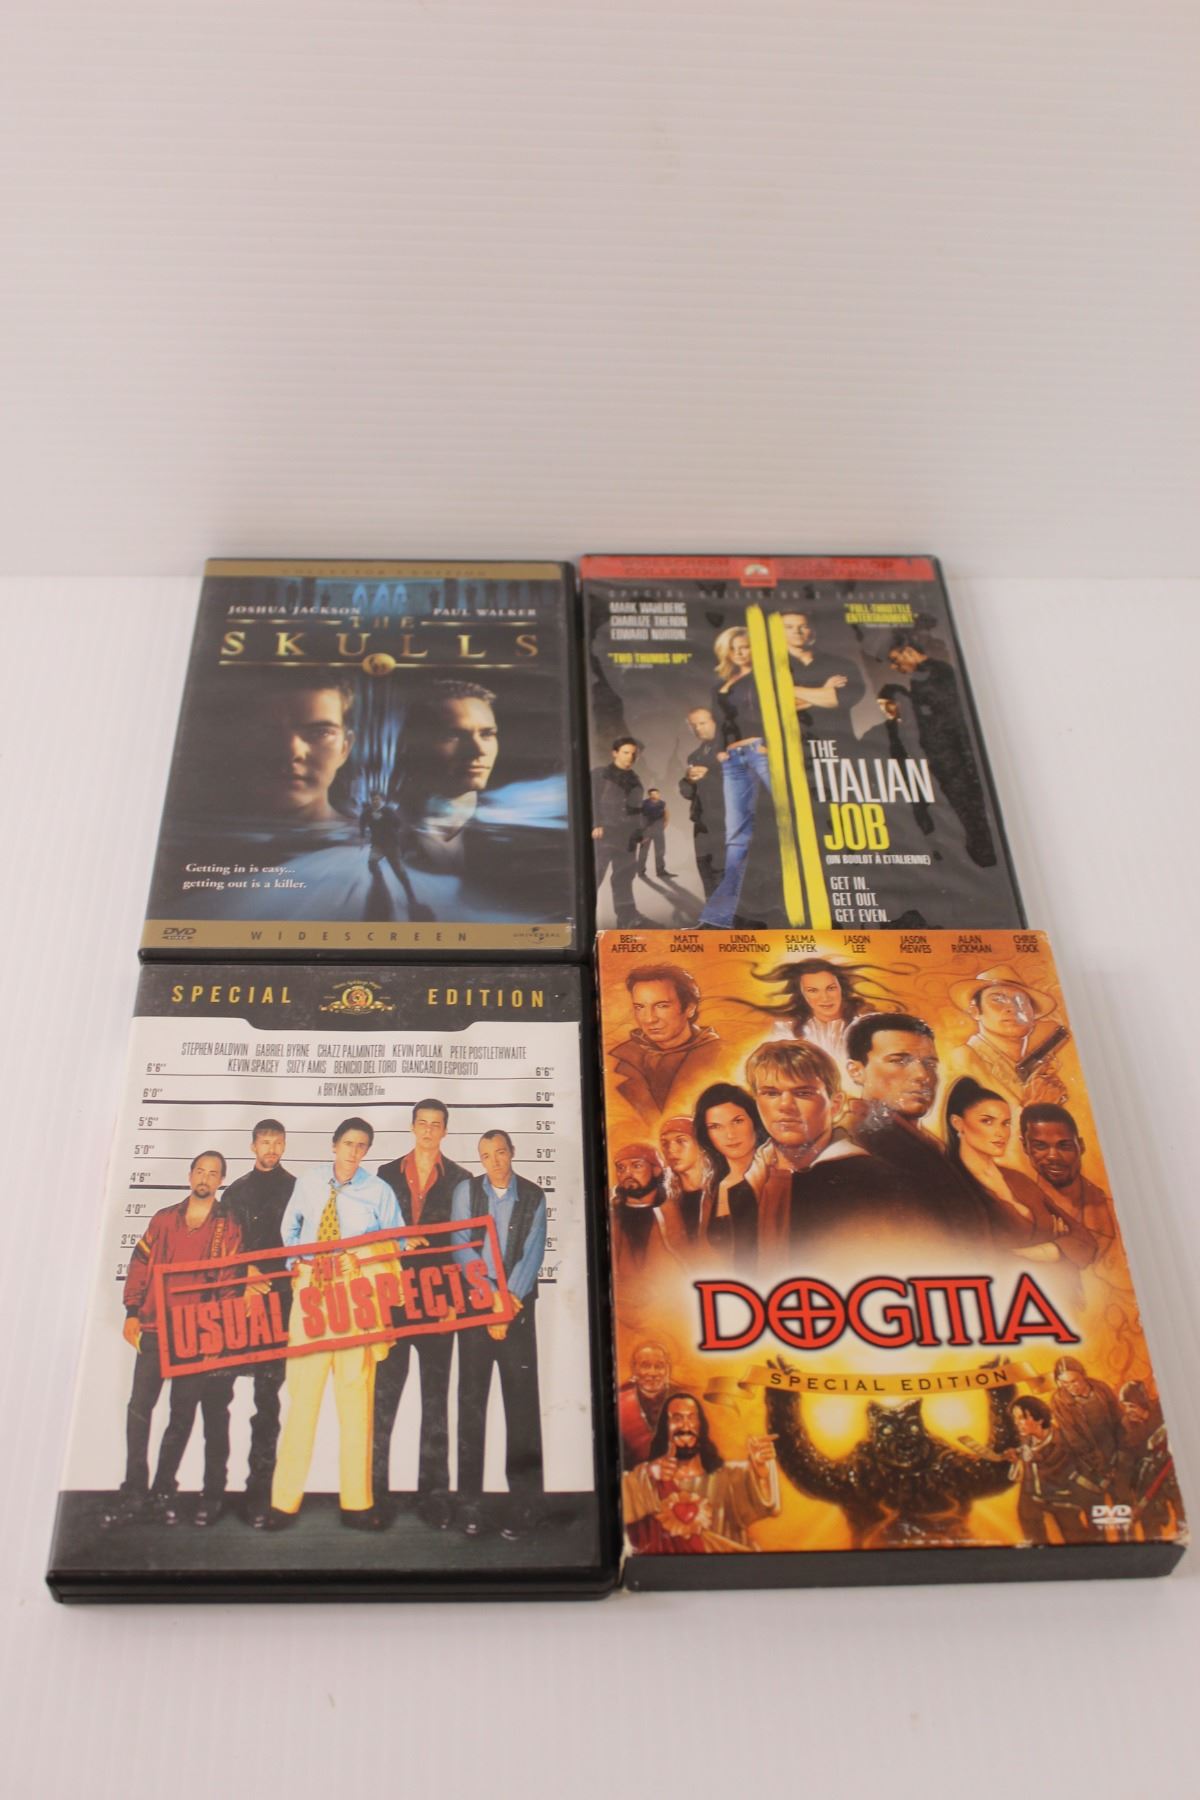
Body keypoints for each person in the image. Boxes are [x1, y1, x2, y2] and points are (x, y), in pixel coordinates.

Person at [270, 1118, 402, 1527]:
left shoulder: (379, 1191)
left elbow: (397, 1241)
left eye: (361, 1146)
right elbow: (290, 1226)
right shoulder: (309, 1182)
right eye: (348, 1143)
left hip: (354, 1297)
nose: (353, 1152)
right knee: (302, 1399)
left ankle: (357, 1505)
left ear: (367, 1151)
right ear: (334, 1145)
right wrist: (297, 1262)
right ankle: (282, 1503)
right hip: (311, 1294)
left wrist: (359, 1258)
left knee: (355, 1399)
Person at [104, 1151, 242, 1528]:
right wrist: (132, 1311)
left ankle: (162, 1492)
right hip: (153, 1328)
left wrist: (218, 1333)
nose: (205, 1178)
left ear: (221, 1181)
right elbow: (139, 1264)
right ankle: (134, 1490)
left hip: (195, 1335)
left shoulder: (228, 1226)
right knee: (139, 1409)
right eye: (200, 1171)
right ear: (190, 1175)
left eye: (213, 1173)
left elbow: (230, 1282)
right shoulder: (164, 1219)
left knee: (181, 1415)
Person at [384, 678, 565, 923]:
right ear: (414, 745)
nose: (478, 750)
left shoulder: (532, 837)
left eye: (487, 734)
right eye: (454, 735)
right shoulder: (379, 833)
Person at [372, 1099, 469, 1528]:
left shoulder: (462, 1179)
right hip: (393, 1301)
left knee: (435, 1403)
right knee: (383, 1402)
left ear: (445, 1131)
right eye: (422, 1123)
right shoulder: (386, 1174)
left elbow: (465, 1244)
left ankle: (435, 1496)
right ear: (412, 1127)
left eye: (436, 1124)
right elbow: (373, 1235)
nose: (428, 1130)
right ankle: (373, 1495)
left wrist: (454, 1300)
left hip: (438, 1302)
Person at [742, 1039, 924, 1264]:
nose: (785, 1105)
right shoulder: (749, 1180)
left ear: (835, 1104)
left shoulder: (875, 1181)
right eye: (771, 1093)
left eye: (803, 1093)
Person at [451, 1130, 547, 1540]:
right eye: (486, 1155)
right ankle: (469, 1506)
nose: (494, 1161)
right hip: (478, 1306)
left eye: (501, 1152)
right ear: (480, 1159)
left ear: (512, 1153)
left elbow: (533, 1252)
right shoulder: (466, 1192)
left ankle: (525, 1506)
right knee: (471, 1406)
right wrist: (491, 1298)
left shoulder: (533, 1195)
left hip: (517, 1310)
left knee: (522, 1411)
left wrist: (507, 1303)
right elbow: (460, 1245)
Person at [845, 1013, 993, 1244]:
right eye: (898, 1060)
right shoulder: (857, 1144)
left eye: (929, 1064)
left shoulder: (928, 1143)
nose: (922, 1075)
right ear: (856, 1071)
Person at [222, 1119, 296, 1528]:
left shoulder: (296, 1188)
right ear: (252, 1146)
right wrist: (245, 1273)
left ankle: (260, 1491)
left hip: (280, 1302)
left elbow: (302, 1240)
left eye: (277, 1142)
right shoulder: (236, 1192)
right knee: (219, 1394)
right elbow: (222, 1244)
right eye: (265, 1142)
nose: (271, 1148)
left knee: (268, 1400)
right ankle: (214, 1490)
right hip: (239, 1301)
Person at [943, 1078, 1096, 1273]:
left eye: (1006, 1123)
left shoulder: (1018, 1179)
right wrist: (1056, 1246)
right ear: (957, 1123)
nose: (1001, 1133)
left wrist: (1040, 1252)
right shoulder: (952, 1186)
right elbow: (974, 1260)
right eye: (987, 1121)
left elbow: (1085, 1241)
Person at [886, 632, 996, 866]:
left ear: (909, 651)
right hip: (949, 765)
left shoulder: (935, 676)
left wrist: (967, 763)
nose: (895, 667)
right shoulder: (923, 678)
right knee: (964, 815)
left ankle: (984, 859)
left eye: (896, 660)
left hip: (957, 765)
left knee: (971, 814)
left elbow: (957, 722)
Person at [622, 1392, 780, 1553]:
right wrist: (650, 1474)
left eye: (691, 1418)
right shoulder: (649, 1478)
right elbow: (619, 1508)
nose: (685, 1426)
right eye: (677, 1418)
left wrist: (760, 1470)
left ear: (701, 1426)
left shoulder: (729, 1477)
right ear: (664, 1428)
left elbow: (766, 1506)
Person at [698, 627, 775, 928]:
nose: (741, 653)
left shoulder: (767, 677)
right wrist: (720, 751)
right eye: (735, 649)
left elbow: (778, 711)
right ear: (726, 653)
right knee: (736, 838)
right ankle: (719, 917)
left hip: (761, 752)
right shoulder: (720, 685)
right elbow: (720, 723)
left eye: (746, 646)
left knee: (792, 821)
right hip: (733, 760)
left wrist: (769, 743)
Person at [606, 962, 723, 1123]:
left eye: (661, 1006)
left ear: (689, 1008)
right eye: (640, 1007)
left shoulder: (722, 1056)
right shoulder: (620, 1060)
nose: (649, 1019)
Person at [948, 963, 1070, 1109]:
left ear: (1033, 1015)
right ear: (975, 1011)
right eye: (997, 1000)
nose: (1012, 1007)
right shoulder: (965, 1057)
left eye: (1021, 1002)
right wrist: (1039, 1104)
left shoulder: (1025, 1069)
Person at [746, 956, 892, 1068]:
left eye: (831, 988)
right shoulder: (787, 1029)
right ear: (801, 994)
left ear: (842, 989)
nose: (825, 998)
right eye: (813, 991)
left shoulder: (867, 1024)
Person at [692, 1083, 769, 1262]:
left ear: (754, 1121)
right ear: (707, 1135)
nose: (730, 1135)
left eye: (737, 1121)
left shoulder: (776, 1176)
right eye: (715, 1126)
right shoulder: (712, 1191)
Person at [1006, 1395, 1098, 1545]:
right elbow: (1022, 1470)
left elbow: (1061, 1466)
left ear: (1039, 1419)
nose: (1017, 1423)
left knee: (1076, 1539)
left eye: (1021, 1418)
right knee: (1033, 1537)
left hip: (1062, 1498)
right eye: (1015, 1418)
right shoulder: (1025, 1439)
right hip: (1032, 1498)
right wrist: (1016, 1459)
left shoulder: (1063, 1439)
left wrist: (1033, 1456)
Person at [778, 606, 864, 749]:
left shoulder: (842, 664)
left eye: (803, 626)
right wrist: (824, 692)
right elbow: (771, 707)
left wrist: (785, 689)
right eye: (788, 627)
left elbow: (838, 699)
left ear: (812, 630)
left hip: (839, 746)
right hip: (792, 747)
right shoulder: (768, 668)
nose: (796, 631)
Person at [857, 686, 934, 836]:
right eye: (880, 704)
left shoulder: (926, 727)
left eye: (889, 704)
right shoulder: (877, 733)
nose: (884, 709)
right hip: (900, 795)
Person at [591, 736, 647, 927]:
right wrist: (596, 824)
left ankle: (627, 918)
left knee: (624, 877)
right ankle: (577, 916)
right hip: (604, 833)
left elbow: (636, 809)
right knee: (594, 875)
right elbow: (590, 799)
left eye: (634, 754)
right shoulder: (600, 774)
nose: (630, 757)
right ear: (614, 753)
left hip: (627, 837)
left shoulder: (636, 781)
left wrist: (640, 832)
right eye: (626, 752)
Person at [1049, 1356, 1123, 1489]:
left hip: (1117, 1446)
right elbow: (1075, 1440)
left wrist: (1122, 1449)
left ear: (1083, 1375)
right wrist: (1100, 1466)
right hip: (1092, 1457)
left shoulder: (1100, 1388)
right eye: (1064, 1383)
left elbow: (1118, 1417)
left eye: (1074, 1381)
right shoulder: (1059, 1401)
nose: (1070, 1387)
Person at [1118, 1381, 1181, 1534]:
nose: (1128, 1411)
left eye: (1132, 1406)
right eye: (1125, 1406)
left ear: (1143, 1404)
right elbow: (1125, 1461)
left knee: (1184, 1515)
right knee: (1150, 1523)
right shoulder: (1126, 1425)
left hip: (1172, 1475)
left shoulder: (1163, 1412)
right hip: (1147, 1479)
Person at [678, 706, 726, 898]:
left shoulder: (730, 748)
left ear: (715, 722)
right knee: (705, 868)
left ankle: (729, 916)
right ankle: (713, 914)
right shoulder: (694, 756)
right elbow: (688, 793)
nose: (698, 729)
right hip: (702, 823)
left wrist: (710, 774)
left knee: (723, 870)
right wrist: (688, 780)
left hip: (726, 820)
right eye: (693, 725)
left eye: (702, 723)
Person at [610, 1142, 675, 1274]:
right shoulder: (611, 1214)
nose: (627, 1173)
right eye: (621, 1168)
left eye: (637, 1166)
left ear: (656, 1170)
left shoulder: (672, 1211)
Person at [618, 1341, 674, 1468]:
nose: (652, 1373)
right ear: (634, 1368)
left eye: (659, 1366)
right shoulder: (619, 1401)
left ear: (667, 1369)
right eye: (645, 1366)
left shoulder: (680, 1398)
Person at [658, 1115, 711, 1248]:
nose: (671, 1150)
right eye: (665, 1143)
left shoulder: (720, 1192)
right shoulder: (664, 1200)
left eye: (680, 1141)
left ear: (701, 1145)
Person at [636, 789, 674, 879]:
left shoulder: (662, 803)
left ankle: (660, 871)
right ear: (649, 795)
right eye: (652, 794)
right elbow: (638, 817)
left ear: (659, 794)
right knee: (643, 851)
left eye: (656, 793)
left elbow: (667, 815)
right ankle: (640, 871)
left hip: (658, 830)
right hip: (646, 831)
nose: (654, 795)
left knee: (660, 851)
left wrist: (663, 826)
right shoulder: (643, 803)